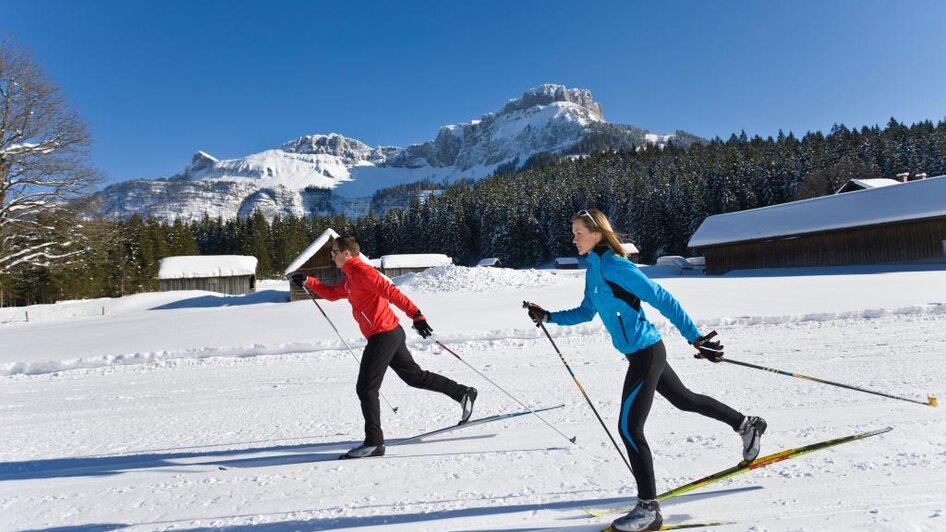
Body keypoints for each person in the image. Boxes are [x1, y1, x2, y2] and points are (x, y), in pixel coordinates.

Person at [524, 209, 766, 532]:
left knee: (629, 428)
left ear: (596, 233)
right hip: (640, 353)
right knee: (686, 400)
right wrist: (549, 316)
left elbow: (660, 296)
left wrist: (695, 337)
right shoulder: (594, 269)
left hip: (646, 353)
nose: (573, 238)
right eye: (573, 233)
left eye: (578, 232)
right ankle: (745, 424)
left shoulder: (614, 265)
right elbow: (586, 312)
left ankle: (648, 509)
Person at [291, 235, 477, 459]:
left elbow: (392, 293)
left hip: (383, 335)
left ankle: (374, 443)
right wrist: (309, 281)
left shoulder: (363, 273)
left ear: (347, 253)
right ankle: (463, 393)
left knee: (366, 388)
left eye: (334, 252)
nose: (332, 257)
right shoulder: (351, 277)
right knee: (414, 376)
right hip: (390, 333)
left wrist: (417, 315)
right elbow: (332, 294)